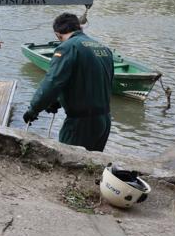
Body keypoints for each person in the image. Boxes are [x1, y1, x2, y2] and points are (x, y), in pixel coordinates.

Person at [23, 13, 114, 152]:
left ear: (58, 34)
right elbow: (91, 82)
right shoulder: (103, 48)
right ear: (79, 28)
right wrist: (58, 102)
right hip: (104, 120)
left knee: (68, 162)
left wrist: (33, 109)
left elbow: (52, 82)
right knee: (91, 166)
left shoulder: (67, 47)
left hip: (81, 124)